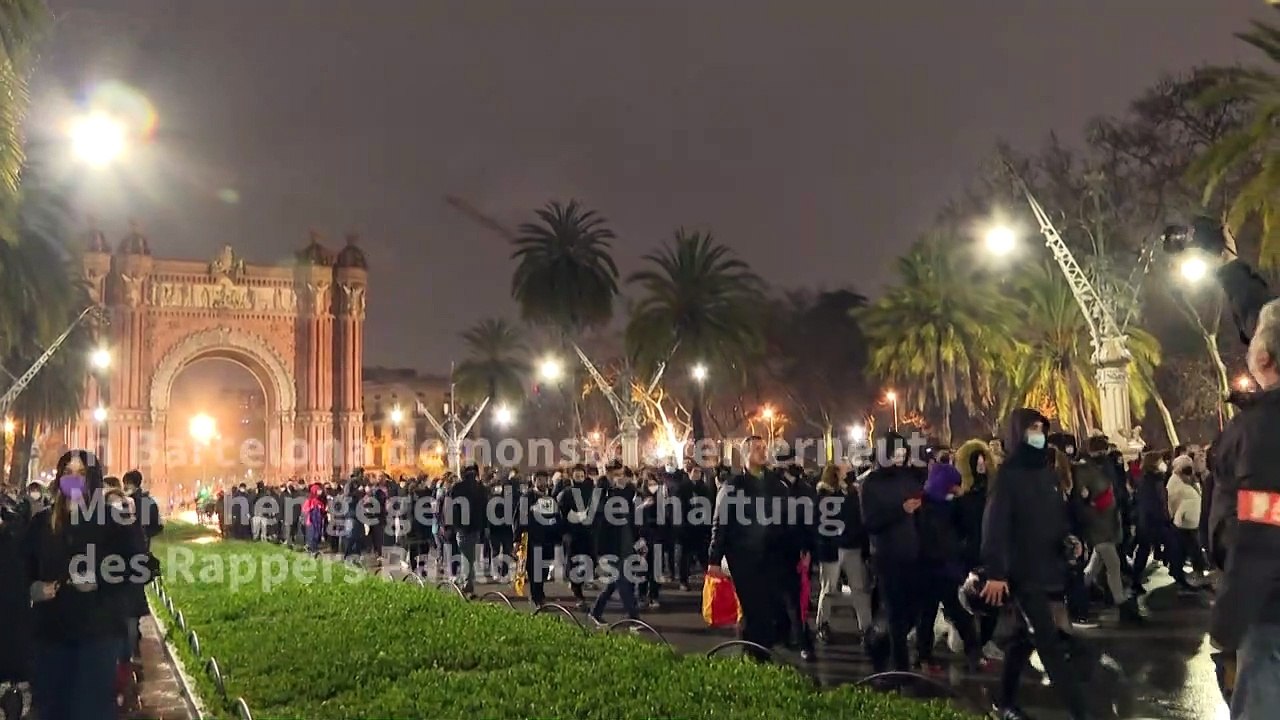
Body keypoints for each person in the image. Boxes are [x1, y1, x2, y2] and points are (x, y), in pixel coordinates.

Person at [981, 410, 1090, 720]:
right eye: (1032, 428)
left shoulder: (1046, 473)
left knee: (1020, 641)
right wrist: (996, 572)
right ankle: (1083, 713)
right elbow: (995, 525)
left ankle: (1004, 702)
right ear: (1018, 433)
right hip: (1023, 574)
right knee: (1051, 647)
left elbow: (1056, 519)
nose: (1038, 433)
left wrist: (1070, 541)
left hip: (1050, 568)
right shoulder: (1008, 475)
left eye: (1041, 428)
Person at [25, 450, 147, 720]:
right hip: (51, 633)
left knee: (89, 708)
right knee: (53, 707)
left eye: (81, 474)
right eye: (67, 473)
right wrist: (34, 588)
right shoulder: (41, 523)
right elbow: (23, 569)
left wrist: (100, 580)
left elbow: (141, 566)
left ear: (93, 478)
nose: (73, 479)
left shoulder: (114, 520)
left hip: (98, 633)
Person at [1209, 297, 1280, 719]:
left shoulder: (1265, 431)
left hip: (1271, 614)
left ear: (1264, 357)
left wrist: (1228, 619)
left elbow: (1263, 529)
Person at [708, 436, 788, 659]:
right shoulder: (733, 486)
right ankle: (754, 654)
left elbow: (788, 518)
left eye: (764, 448)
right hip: (743, 556)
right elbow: (720, 523)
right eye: (757, 449)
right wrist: (714, 559)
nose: (763, 452)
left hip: (771, 554)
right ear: (745, 455)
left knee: (770, 605)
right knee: (753, 608)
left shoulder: (776, 485)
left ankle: (762, 650)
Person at [859, 431, 925, 672]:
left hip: (912, 553)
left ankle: (878, 641)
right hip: (886, 556)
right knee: (896, 613)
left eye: (903, 451)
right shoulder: (871, 483)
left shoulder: (908, 479)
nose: (900, 456)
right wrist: (901, 510)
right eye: (895, 451)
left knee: (913, 610)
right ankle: (900, 667)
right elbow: (870, 521)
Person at [1076, 435, 1143, 624]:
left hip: (1110, 520)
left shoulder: (1105, 467)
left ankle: (1078, 591)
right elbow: (1081, 498)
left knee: (1094, 567)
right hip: (1097, 522)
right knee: (1113, 564)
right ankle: (1121, 603)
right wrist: (1092, 503)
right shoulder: (1084, 470)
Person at [814, 463, 872, 644]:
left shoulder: (851, 493)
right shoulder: (825, 496)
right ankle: (822, 624)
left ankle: (866, 628)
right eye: (844, 470)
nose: (848, 471)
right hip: (833, 547)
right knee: (830, 589)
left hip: (850, 546)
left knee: (859, 589)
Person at [588, 465, 642, 626]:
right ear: (610, 474)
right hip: (610, 546)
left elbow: (631, 518)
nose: (621, 478)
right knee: (623, 582)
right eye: (617, 475)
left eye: (623, 475)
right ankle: (634, 619)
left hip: (625, 544)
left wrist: (638, 540)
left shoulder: (624, 493)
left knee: (613, 583)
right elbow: (597, 518)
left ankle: (595, 611)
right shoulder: (601, 492)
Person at [447, 466, 486, 597]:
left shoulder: (457, 488)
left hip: (462, 527)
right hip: (475, 528)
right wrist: (484, 527)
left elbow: (451, 509)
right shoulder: (480, 488)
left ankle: (467, 584)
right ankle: (467, 582)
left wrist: (451, 526)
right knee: (470, 557)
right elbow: (485, 509)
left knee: (467, 556)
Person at [1166, 454, 1206, 579]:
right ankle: (1181, 572)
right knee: (1189, 548)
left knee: (1187, 548)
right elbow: (1174, 502)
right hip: (1184, 522)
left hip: (1188, 521)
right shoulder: (1177, 483)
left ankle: (1180, 570)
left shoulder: (1185, 480)